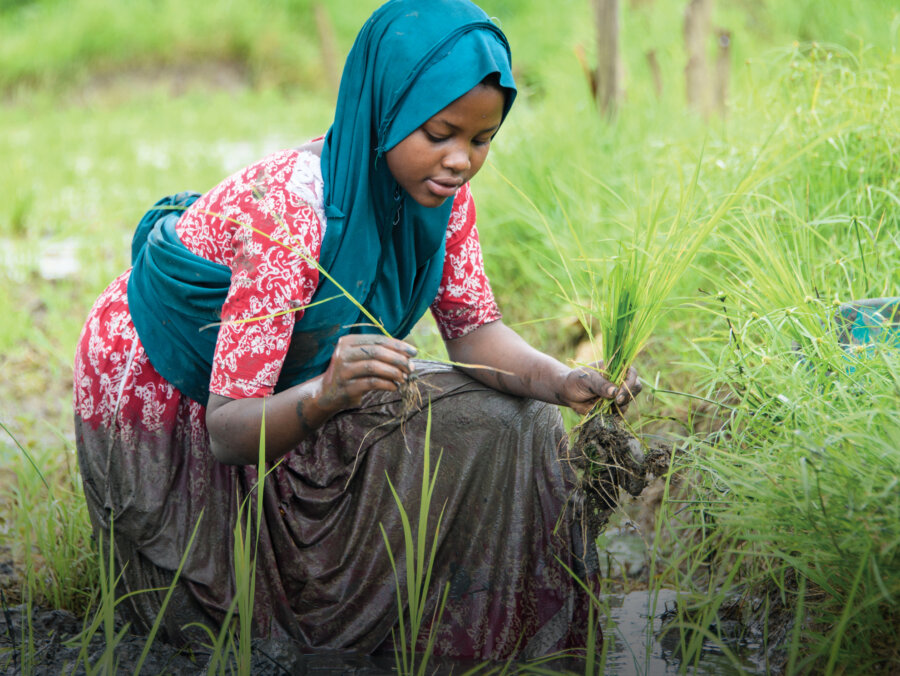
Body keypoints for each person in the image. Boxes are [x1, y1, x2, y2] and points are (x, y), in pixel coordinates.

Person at [73, 0, 641, 662]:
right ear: (384, 110)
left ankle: (456, 640)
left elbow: (473, 332)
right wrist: (323, 398)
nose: (461, 159)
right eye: (440, 132)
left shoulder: (443, 200)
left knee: (521, 420)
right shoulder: (293, 213)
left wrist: (559, 378)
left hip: (289, 376)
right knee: (221, 634)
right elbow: (227, 430)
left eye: (481, 140)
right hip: (168, 382)